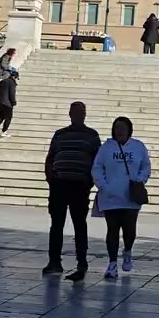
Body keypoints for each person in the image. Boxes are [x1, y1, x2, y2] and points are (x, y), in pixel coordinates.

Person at [44, 101, 102, 281]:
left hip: (80, 186)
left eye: (81, 112)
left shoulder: (92, 136)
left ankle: (82, 262)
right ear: (69, 114)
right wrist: (50, 178)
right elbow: (51, 156)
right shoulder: (60, 134)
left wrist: (89, 182)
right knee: (56, 224)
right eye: (75, 112)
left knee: (79, 225)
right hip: (59, 184)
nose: (78, 115)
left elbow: (97, 160)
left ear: (85, 114)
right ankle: (54, 261)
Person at [91, 116, 151, 279]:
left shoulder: (138, 147)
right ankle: (112, 264)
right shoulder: (106, 148)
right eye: (117, 127)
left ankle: (128, 251)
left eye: (123, 127)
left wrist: (140, 179)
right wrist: (103, 185)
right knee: (112, 229)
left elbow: (145, 165)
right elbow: (97, 167)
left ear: (129, 129)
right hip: (110, 196)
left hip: (131, 195)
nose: (120, 130)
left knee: (129, 229)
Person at [0, 67, 18, 139]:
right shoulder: (12, 83)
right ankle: (4, 131)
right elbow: (12, 94)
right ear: (14, 77)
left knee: (1, 116)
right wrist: (13, 102)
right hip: (7, 103)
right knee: (8, 118)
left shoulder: (3, 81)